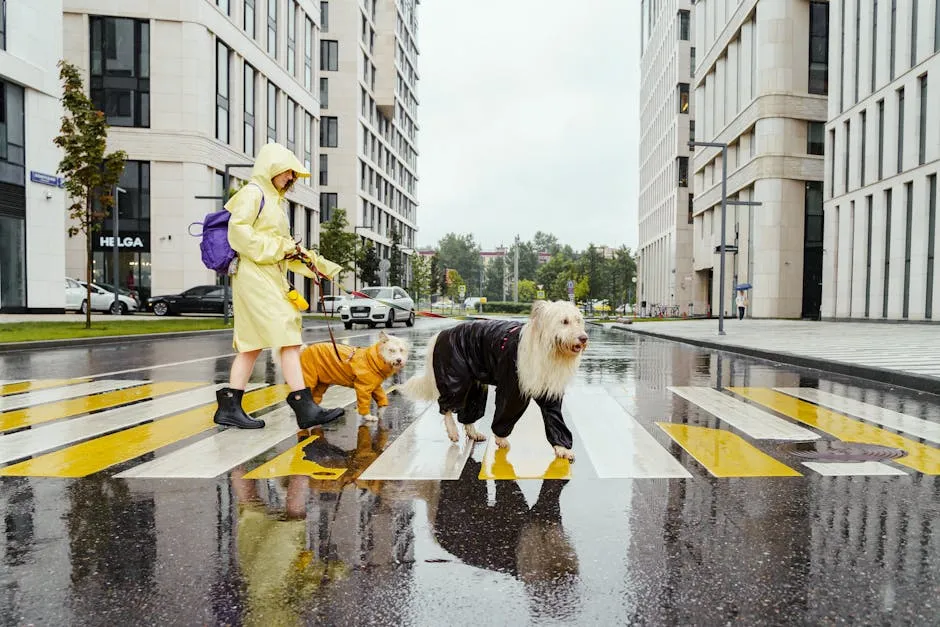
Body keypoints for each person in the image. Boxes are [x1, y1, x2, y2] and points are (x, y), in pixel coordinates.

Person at [213, 142, 346, 430]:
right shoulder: (252, 193)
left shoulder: (274, 202)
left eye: (293, 175)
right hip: (253, 274)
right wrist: (280, 249)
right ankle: (304, 404)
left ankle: (230, 406)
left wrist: (325, 269)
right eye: (287, 172)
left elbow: (285, 249)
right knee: (287, 331)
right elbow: (239, 235)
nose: (291, 179)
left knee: (251, 344)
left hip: (266, 273)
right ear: (270, 168)